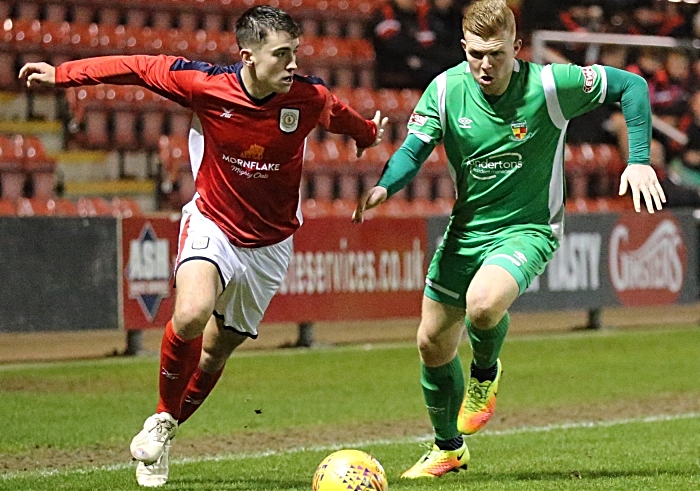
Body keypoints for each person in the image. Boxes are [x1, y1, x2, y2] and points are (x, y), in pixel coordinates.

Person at [19, 5, 387, 488]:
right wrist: (64, 76)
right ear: (248, 56)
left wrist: (365, 135)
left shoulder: (306, 96)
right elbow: (137, 66)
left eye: (295, 53)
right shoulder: (206, 86)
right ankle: (160, 418)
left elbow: (339, 114)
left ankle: (165, 429)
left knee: (215, 353)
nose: (292, 63)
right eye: (281, 54)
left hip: (270, 245)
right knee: (191, 314)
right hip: (212, 222)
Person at [353, 0, 665, 479]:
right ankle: (448, 448)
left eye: (496, 53)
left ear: (516, 48)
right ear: (462, 47)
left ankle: (484, 373)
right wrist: (383, 186)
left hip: (528, 227)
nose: (485, 64)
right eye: (476, 52)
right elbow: (413, 150)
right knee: (431, 343)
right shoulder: (444, 90)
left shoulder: (549, 86)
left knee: (482, 304)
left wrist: (639, 158)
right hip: (467, 230)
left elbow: (632, 85)